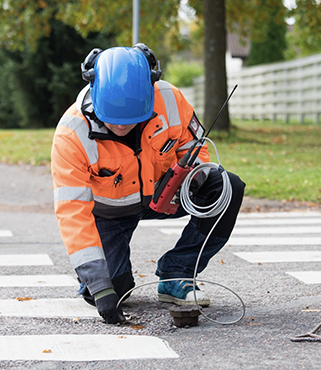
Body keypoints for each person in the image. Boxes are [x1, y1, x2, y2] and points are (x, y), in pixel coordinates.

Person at [51, 44, 245, 324]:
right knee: (112, 290)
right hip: (109, 215)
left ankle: (178, 273)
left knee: (227, 187)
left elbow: (196, 147)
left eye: (130, 120)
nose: (121, 127)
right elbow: (72, 212)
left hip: (167, 196)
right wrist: (99, 285)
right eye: (113, 120)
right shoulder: (72, 134)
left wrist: (190, 181)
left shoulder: (169, 99)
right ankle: (100, 282)